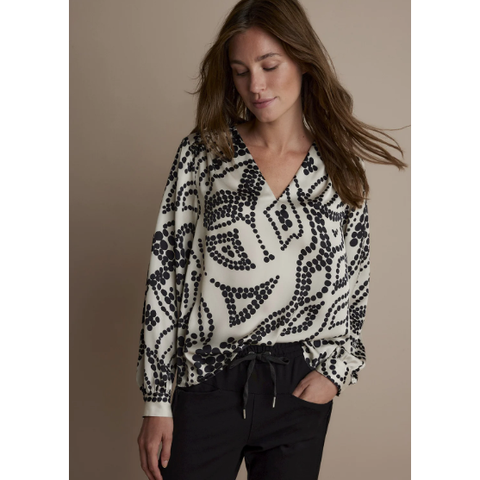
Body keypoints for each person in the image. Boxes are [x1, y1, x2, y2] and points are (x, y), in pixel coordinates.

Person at [135, 1, 408, 479]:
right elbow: (166, 274)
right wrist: (157, 401)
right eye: (241, 71)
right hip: (208, 381)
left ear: (302, 60)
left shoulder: (339, 167)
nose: (255, 86)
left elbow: (355, 279)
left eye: (269, 65)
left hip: (299, 387)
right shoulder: (205, 153)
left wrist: (336, 372)